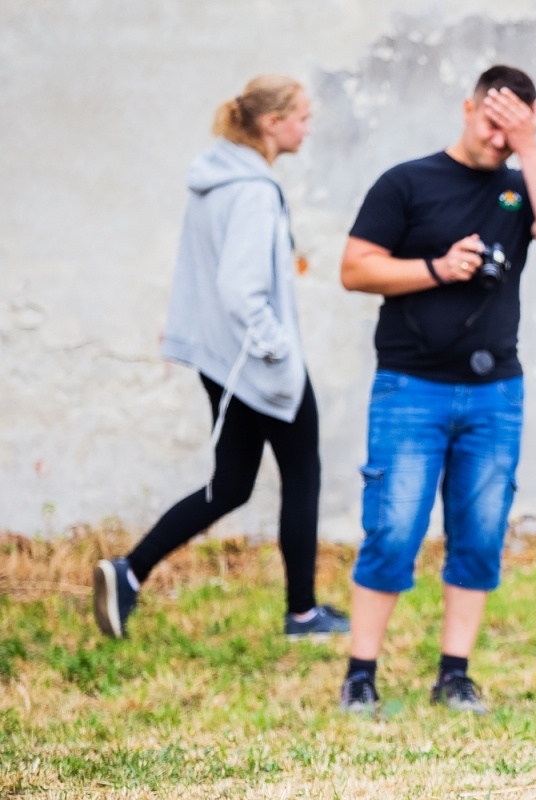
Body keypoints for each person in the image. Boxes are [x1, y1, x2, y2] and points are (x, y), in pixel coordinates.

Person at [337, 65, 536, 714]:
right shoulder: (407, 182)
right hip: (409, 387)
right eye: (491, 123)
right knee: (392, 530)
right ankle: (360, 674)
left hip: (494, 393)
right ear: (467, 106)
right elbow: (354, 268)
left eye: (514, 131)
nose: (498, 140)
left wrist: (530, 150)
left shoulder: (520, 183)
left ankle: (454, 674)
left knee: (478, 533)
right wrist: (438, 269)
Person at [93, 75, 347, 642]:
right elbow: (239, 288)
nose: (308, 126)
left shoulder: (216, 178)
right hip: (258, 366)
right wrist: (278, 349)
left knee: (232, 484)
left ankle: (129, 572)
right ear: (271, 123)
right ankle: (302, 614)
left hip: (222, 364)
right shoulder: (254, 191)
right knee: (302, 474)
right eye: (302, 116)